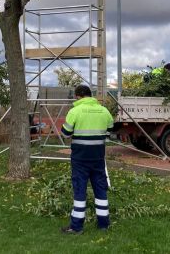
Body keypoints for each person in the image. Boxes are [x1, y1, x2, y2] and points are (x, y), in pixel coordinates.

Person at [60, 85, 114, 234]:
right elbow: (110, 130)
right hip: (98, 157)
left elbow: (65, 133)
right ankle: (104, 224)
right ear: (91, 95)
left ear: (78, 96)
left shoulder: (75, 111)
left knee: (80, 191)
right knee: (100, 190)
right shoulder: (104, 110)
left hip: (80, 158)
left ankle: (76, 227)